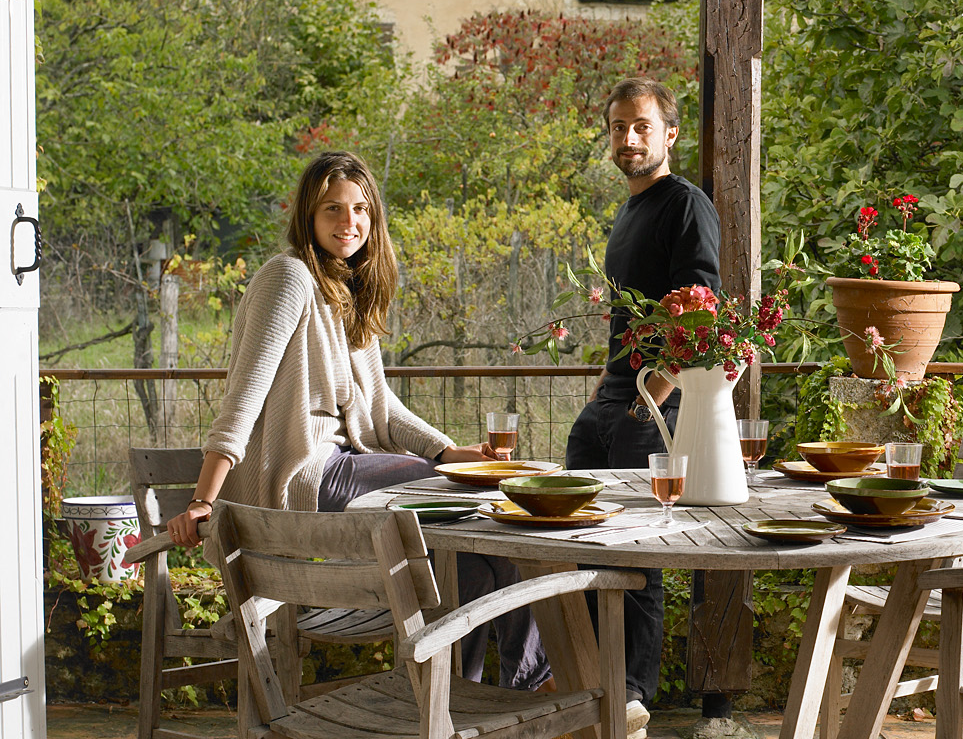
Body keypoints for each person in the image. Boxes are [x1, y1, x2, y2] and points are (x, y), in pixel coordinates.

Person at [164, 150, 550, 691]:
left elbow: (381, 407)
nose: (350, 223)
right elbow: (244, 396)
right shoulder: (289, 278)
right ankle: (535, 688)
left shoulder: (346, 291)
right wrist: (204, 498)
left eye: (361, 210)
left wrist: (448, 452)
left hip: (346, 466)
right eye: (333, 210)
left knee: (475, 561)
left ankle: (476, 699)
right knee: (467, 502)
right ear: (308, 217)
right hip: (305, 473)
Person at [566, 78, 720, 727]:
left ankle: (632, 697)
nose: (628, 138)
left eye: (642, 127)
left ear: (670, 135)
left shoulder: (686, 205)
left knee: (637, 555)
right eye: (619, 127)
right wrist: (610, 389)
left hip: (651, 412)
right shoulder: (629, 212)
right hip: (609, 402)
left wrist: (650, 398)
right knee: (575, 537)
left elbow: (703, 311)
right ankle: (590, 681)